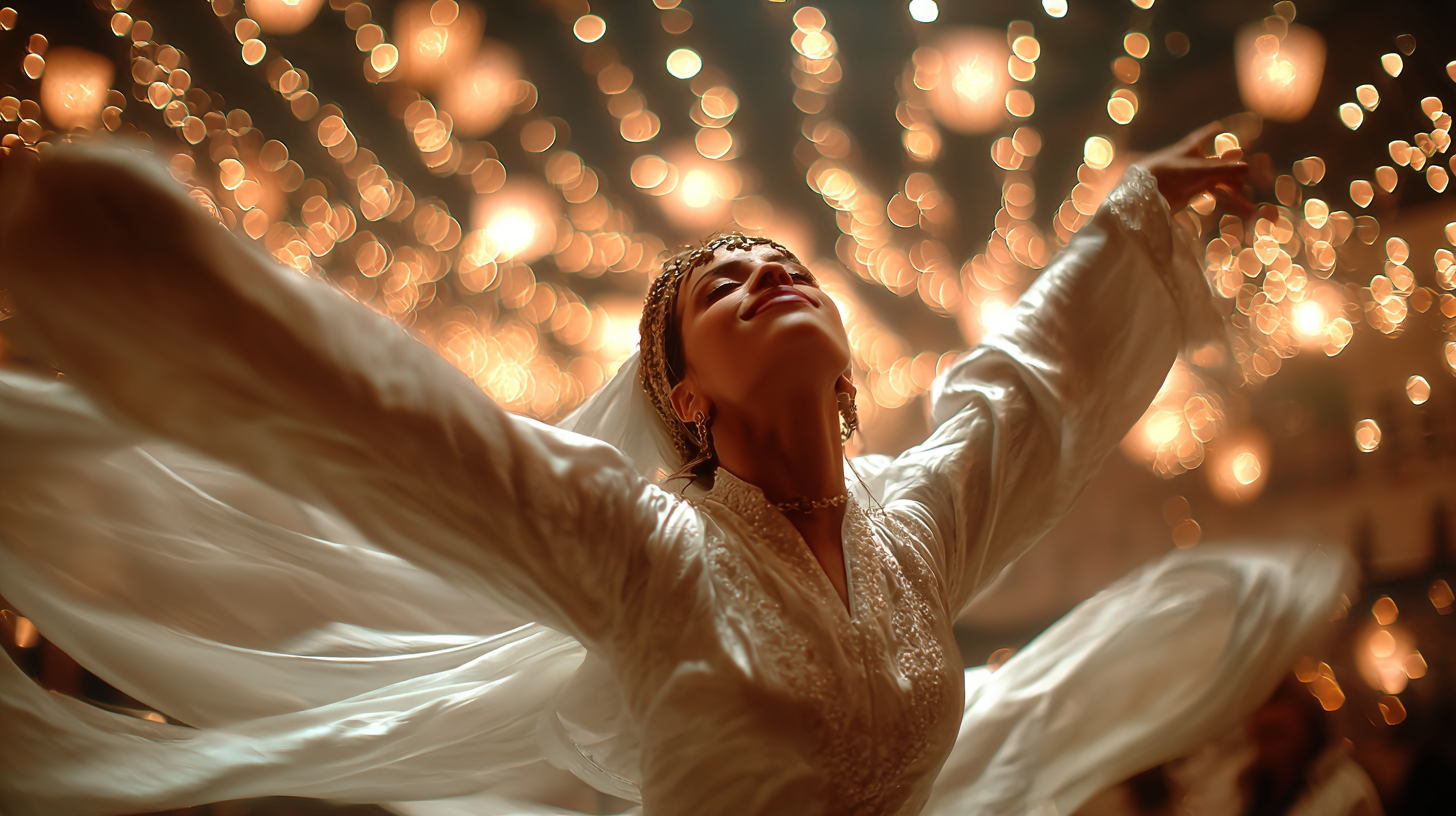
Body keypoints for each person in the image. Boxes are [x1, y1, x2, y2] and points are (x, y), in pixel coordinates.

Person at [0, 125, 1349, 816]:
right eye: (726, 285)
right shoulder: (642, 546)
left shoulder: (916, 532)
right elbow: (393, 416)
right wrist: (102, 243)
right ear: (684, 397)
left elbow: (1031, 390)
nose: (767, 273)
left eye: (786, 265)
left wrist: (1138, 213)